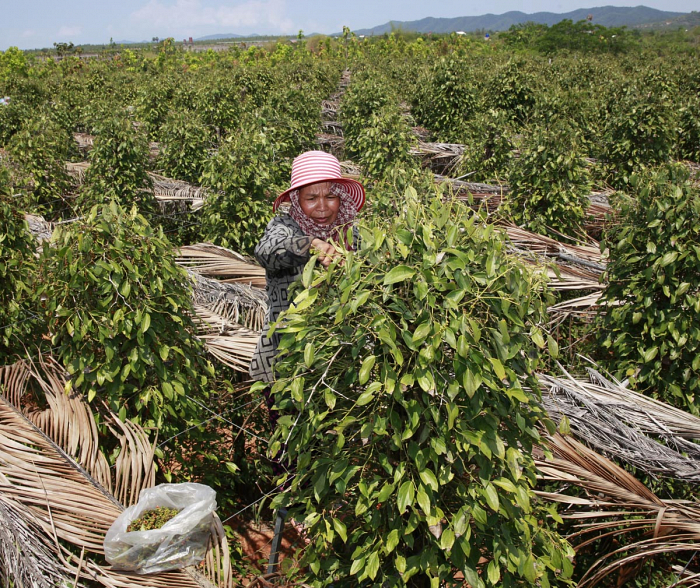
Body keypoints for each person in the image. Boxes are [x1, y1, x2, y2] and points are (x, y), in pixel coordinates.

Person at [248, 150, 365, 386]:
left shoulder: (352, 234)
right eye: (311, 198)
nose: (322, 207)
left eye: (330, 197)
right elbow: (266, 251)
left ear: (341, 198)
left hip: (339, 360)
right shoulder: (284, 227)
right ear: (297, 200)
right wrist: (310, 245)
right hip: (285, 359)